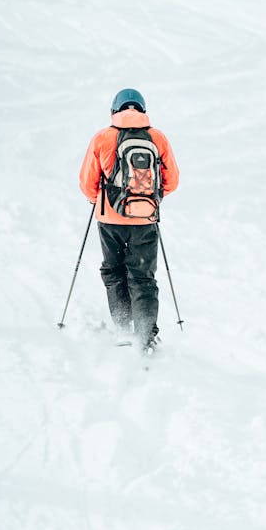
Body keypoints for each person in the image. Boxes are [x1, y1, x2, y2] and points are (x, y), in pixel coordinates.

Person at [79, 88, 179, 353]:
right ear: (142, 110)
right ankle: (145, 335)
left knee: (114, 270)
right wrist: (150, 199)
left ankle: (123, 327)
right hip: (145, 219)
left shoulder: (102, 138)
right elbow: (172, 181)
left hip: (110, 220)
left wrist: (99, 199)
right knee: (143, 276)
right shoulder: (157, 138)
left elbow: (87, 183)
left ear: (114, 111)